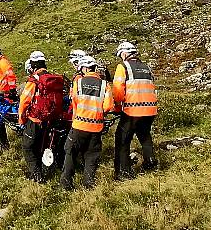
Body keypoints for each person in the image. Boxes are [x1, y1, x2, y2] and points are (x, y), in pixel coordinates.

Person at [60, 55, 114, 190]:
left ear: (84, 68)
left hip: (79, 124)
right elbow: (108, 106)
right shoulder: (105, 85)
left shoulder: (78, 83)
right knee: (91, 155)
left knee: (70, 151)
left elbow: (74, 101)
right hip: (96, 126)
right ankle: (88, 184)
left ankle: (66, 183)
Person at [112, 41, 158, 180]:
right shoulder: (147, 67)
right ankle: (150, 163)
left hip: (132, 110)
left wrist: (118, 105)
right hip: (150, 110)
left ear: (125, 53)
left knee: (122, 140)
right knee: (145, 136)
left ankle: (124, 172)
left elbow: (118, 90)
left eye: (121, 55)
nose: (121, 57)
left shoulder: (123, 67)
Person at [19, 51, 65, 183]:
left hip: (35, 120)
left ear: (33, 65)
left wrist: (22, 119)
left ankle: (37, 175)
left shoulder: (34, 81)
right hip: (50, 120)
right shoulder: (52, 79)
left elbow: (24, 101)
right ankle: (44, 170)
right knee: (41, 146)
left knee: (27, 147)